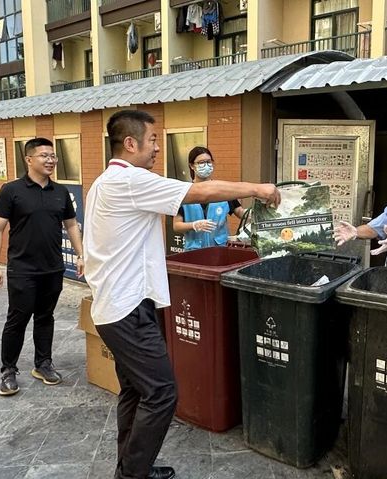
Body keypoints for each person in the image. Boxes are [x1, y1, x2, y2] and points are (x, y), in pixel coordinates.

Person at [83, 110, 280, 479]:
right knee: (161, 393)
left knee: (136, 391)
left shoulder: (104, 182)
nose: (158, 147)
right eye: (153, 140)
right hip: (127, 309)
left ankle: (133, 467)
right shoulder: (130, 179)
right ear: (131, 143)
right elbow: (200, 191)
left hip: (118, 305)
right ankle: (132, 475)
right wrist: (258, 188)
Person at [0, 137, 84, 397]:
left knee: (45, 316)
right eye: (44, 156)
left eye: (53, 156)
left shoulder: (60, 192)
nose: (50, 160)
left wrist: (80, 254)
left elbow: (71, 224)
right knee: (17, 320)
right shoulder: (11, 190)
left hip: (52, 268)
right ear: (29, 159)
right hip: (22, 269)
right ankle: (8, 370)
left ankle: (43, 364)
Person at [172, 146, 247, 250]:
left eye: (208, 162)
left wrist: (254, 213)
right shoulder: (185, 193)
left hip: (220, 249)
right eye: (201, 163)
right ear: (192, 166)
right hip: (194, 251)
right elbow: (176, 226)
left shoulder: (222, 191)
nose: (206, 166)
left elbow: (241, 213)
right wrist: (194, 225)